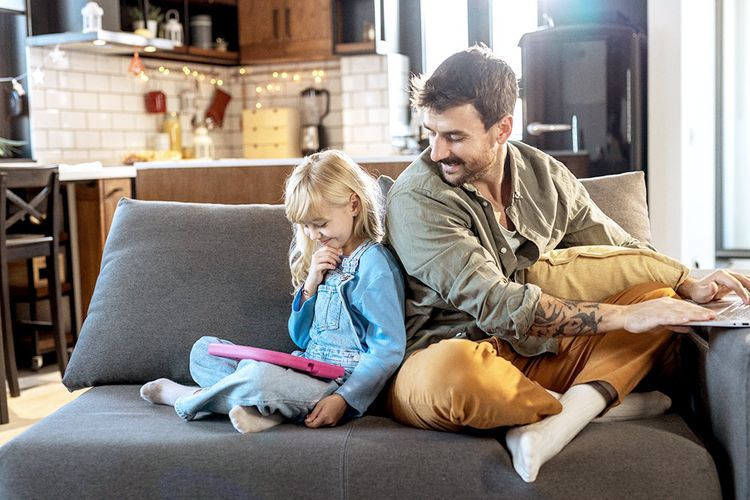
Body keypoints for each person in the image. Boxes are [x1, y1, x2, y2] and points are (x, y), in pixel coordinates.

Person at [383, 45, 750, 482]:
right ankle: (594, 402)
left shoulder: (545, 175)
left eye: (455, 137)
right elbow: (497, 304)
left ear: (503, 129)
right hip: (452, 353)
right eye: (431, 133)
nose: (437, 151)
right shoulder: (417, 199)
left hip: (543, 351)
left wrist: (686, 280)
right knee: (453, 376)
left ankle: (556, 417)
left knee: (660, 302)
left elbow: (622, 248)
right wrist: (626, 316)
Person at [140, 150, 406, 433]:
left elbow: (387, 350)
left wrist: (344, 399)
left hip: (337, 384)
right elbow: (301, 337)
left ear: (353, 205)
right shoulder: (323, 258)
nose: (314, 235)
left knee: (259, 377)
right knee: (204, 351)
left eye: (321, 224)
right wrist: (311, 286)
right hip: (305, 367)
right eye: (306, 226)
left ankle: (187, 397)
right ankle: (266, 409)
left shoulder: (375, 267)